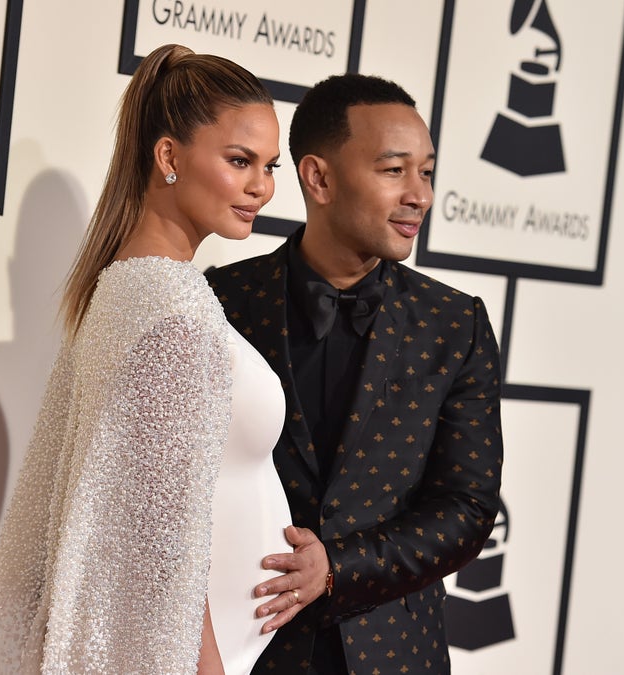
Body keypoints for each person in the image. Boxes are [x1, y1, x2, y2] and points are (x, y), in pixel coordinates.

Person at [0, 44, 295, 674]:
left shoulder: (125, 288)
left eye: (269, 165)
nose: (262, 186)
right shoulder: (173, 308)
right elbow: (154, 542)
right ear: (169, 156)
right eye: (239, 161)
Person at [205, 74, 504, 674]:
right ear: (318, 178)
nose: (418, 194)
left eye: (427, 172)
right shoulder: (222, 303)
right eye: (394, 171)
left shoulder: (454, 324)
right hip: (245, 648)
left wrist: (338, 567)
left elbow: (467, 507)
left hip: (393, 653)